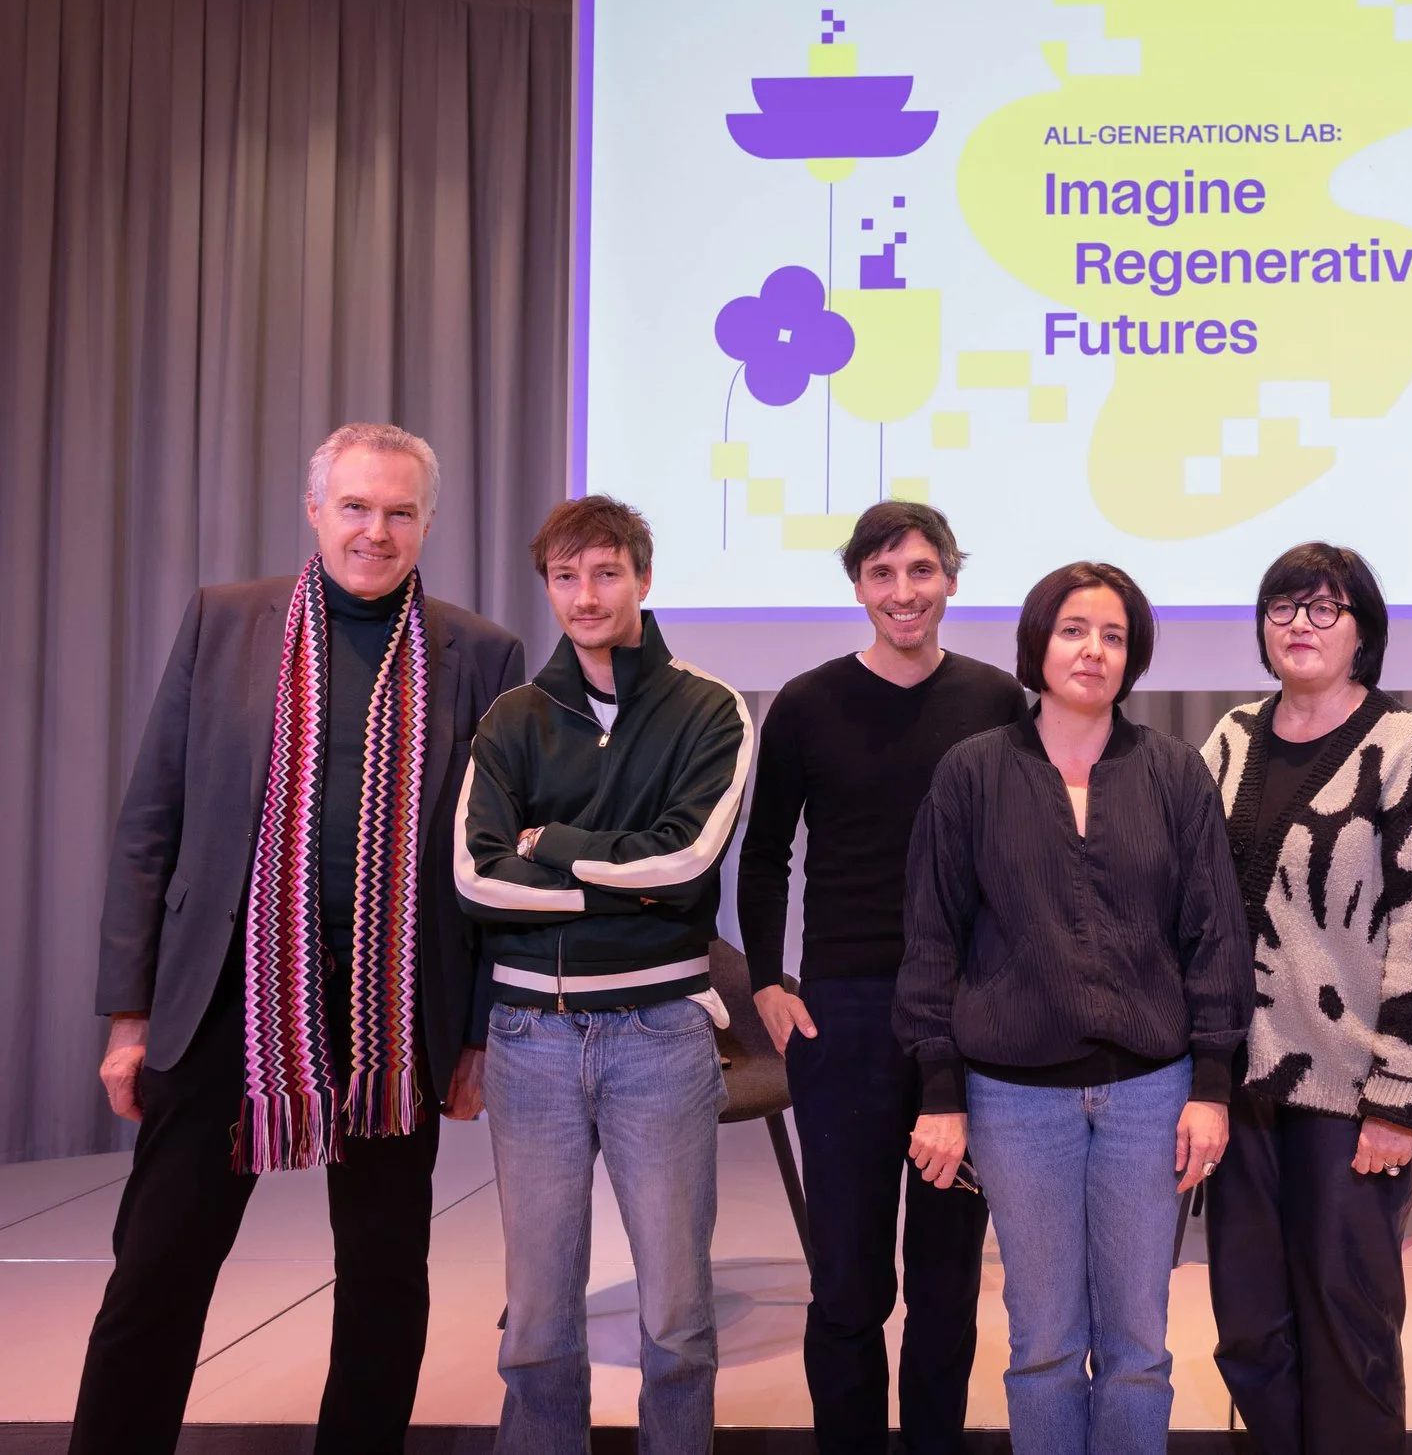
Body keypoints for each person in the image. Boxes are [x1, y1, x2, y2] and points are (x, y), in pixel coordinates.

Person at [73, 423, 525, 1455]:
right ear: (314, 509)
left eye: (400, 511)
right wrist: (129, 1015)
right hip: (224, 993)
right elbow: (154, 820)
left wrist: (478, 1033)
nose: (377, 530)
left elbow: (492, 864)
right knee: (158, 1267)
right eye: (356, 506)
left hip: (392, 1005)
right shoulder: (225, 621)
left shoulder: (484, 651)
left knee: (382, 1273)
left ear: (428, 522)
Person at [895, 561, 1252, 1455]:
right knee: (1044, 1342)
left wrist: (1212, 1081)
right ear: (1037, 644)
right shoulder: (973, 773)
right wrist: (940, 1089)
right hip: (1013, 1099)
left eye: (1114, 634)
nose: (1093, 649)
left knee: (1138, 1345)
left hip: (1150, 1093)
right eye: (1073, 630)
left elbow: (1215, 933)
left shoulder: (1173, 771)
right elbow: (932, 937)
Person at [454, 495, 756, 1455]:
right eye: (565, 576)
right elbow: (472, 875)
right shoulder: (513, 716)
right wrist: (614, 892)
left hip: (661, 1034)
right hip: (529, 1039)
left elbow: (684, 863)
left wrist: (551, 846)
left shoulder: (711, 707)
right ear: (547, 585)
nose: (586, 595)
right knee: (537, 1317)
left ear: (644, 578)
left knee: (676, 1314)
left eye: (606, 572)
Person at [737, 502, 1024, 1454]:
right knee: (851, 1280)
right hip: (844, 1012)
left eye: (921, 571)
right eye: (882, 573)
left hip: (966, 1011)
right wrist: (770, 980)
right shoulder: (808, 701)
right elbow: (767, 848)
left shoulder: (994, 698)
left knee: (947, 1279)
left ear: (951, 579)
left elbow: (1021, 852)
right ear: (857, 585)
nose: (903, 592)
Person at [1199, 543, 1412, 1455]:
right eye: (1282, 607)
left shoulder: (1404, 746)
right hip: (1235, 1087)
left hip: (1351, 1093)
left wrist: (1399, 1098)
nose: (1299, 626)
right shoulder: (1230, 736)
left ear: (1364, 631)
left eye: (1324, 609)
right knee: (1246, 1326)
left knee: (1348, 1327)